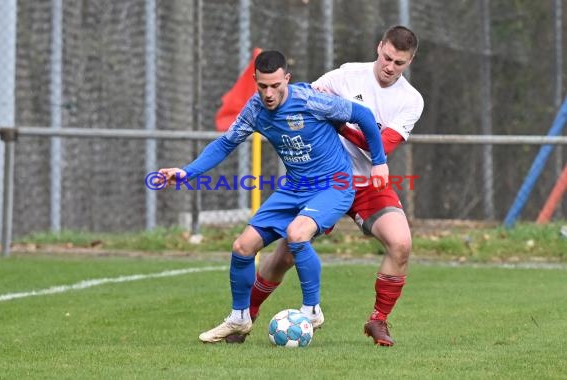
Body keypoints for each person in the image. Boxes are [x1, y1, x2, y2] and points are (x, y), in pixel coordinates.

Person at [156, 50, 389, 343]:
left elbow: (363, 115)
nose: (269, 93)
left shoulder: (310, 100)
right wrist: (186, 172)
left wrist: (379, 161)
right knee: (242, 246)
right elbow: (226, 144)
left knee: (296, 233)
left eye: (275, 85)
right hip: (293, 188)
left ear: (286, 79)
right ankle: (240, 318)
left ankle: (312, 310)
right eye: (263, 86)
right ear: (255, 81)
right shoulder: (254, 110)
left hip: (334, 185)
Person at [228, 25, 423, 346]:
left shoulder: (411, 100)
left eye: (399, 63)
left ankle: (378, 321)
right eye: (387, 58)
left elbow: (380, 148)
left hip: (367, 183)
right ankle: (245, 316)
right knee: (285, 255)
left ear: (410, 61)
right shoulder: (345, 76)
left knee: (401, 244)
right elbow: (303, 100)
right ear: (379, 48)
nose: (390, 67)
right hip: (323, 181)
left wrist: (339, 122)